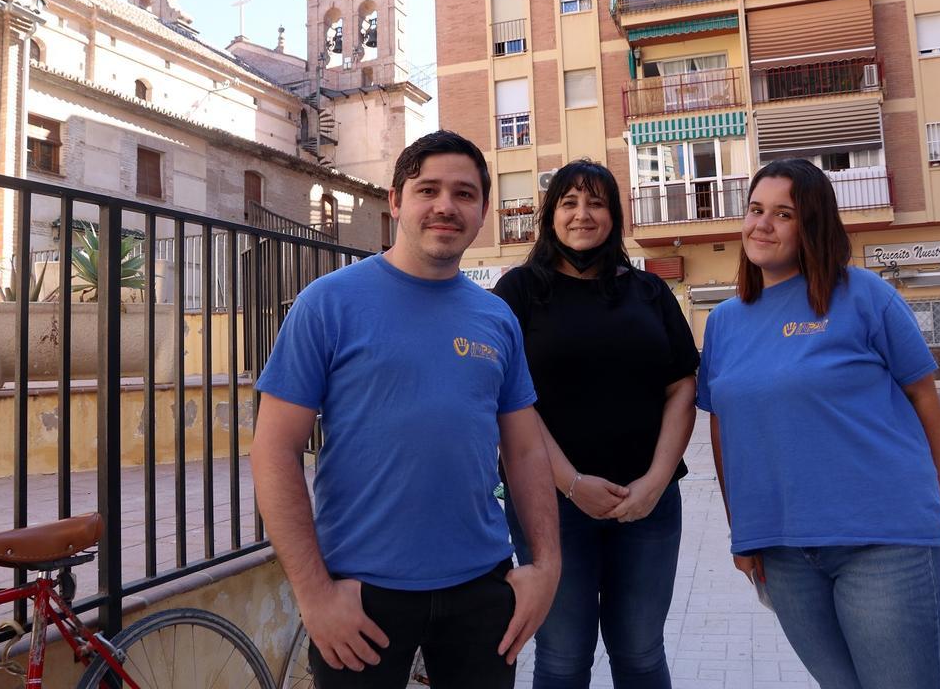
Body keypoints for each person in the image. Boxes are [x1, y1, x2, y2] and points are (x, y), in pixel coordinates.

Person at [251, 130, 560, 689]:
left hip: (482, 590)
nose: (446, 205)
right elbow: (274, 449)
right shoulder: (328, 304)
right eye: (428, 189)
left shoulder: (497, 319)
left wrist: (546, 567)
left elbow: (524, 447)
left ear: (483, 211)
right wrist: (314, 596)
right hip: (360, 599)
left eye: (465, 194)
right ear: (396, 201)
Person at [696, 158, 940, 689]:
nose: (763, 225)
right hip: (784, 552)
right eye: (756, 210)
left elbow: (924, 400)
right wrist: (743, 532)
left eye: (784, 214)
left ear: (813, 225)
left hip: (884, 540)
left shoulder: (866, 294)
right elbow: (722, 429)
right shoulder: (724, 323)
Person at [492, 159, 699, 689]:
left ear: (614, 216)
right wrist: (573, 484)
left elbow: (681, 387)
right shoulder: (517, 293)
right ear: (550, 216)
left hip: (647, 507)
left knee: (641, 652)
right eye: (569, 203)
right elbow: (511, 403)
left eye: (596, 203)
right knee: (562, 656)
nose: (582, 215)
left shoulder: (648, 293)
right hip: (550, 506)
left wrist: (655, 481)